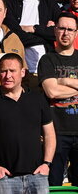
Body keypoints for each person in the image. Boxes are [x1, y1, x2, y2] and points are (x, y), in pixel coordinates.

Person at [0, 53, 55, 194]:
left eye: (12, 71)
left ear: (23, 72)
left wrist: (46, 164)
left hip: (37, 177)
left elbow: (50, 134)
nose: (7, 75)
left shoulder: (38, 99)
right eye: (3, 71)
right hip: (4, 179)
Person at [38, 12, 78, 185]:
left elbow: (56, 86)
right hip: (56, 133)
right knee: (54, 184)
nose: (65, 33)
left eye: (70, 29)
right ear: (55, 30)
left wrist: (64, 80)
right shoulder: (47, 60)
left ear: (76, 33)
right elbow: (52, 92)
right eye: (62, 28)